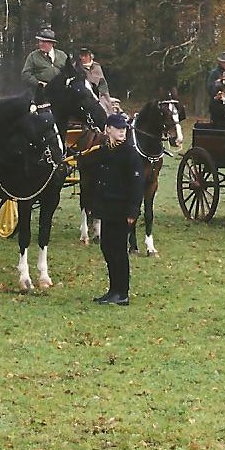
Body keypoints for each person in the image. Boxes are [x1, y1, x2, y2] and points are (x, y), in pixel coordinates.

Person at [84, 111, 141, 305]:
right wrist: (92, 204)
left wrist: (133, 211)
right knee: (107, 247)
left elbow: (136, 184)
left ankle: (122, 293)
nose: (122, 132)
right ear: (108, 129)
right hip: (107, 207)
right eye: (117, 128)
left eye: (124, 129)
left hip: (121, 209)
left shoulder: (129, 153)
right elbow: (96, 178)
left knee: (118, 250)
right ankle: (113, 290)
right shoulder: (104, 151)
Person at [20, 27, 69, 93]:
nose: (40, 44)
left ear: (51, 43)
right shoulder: (33, 56)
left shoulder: (62, 55)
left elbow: (70, 72)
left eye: (44, 42)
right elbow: (25, 74)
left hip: (60, 91)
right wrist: (38, 83)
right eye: (40, 41)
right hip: (39, 92)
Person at [77, 46, 114, 112]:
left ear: (90, 56)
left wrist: (106, 99)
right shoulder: (76, 67)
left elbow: (103, 84)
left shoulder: (96, 67)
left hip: (99, 96)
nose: (83, 58)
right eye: (81, 56)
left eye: (85, 56)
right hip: (84, 96)